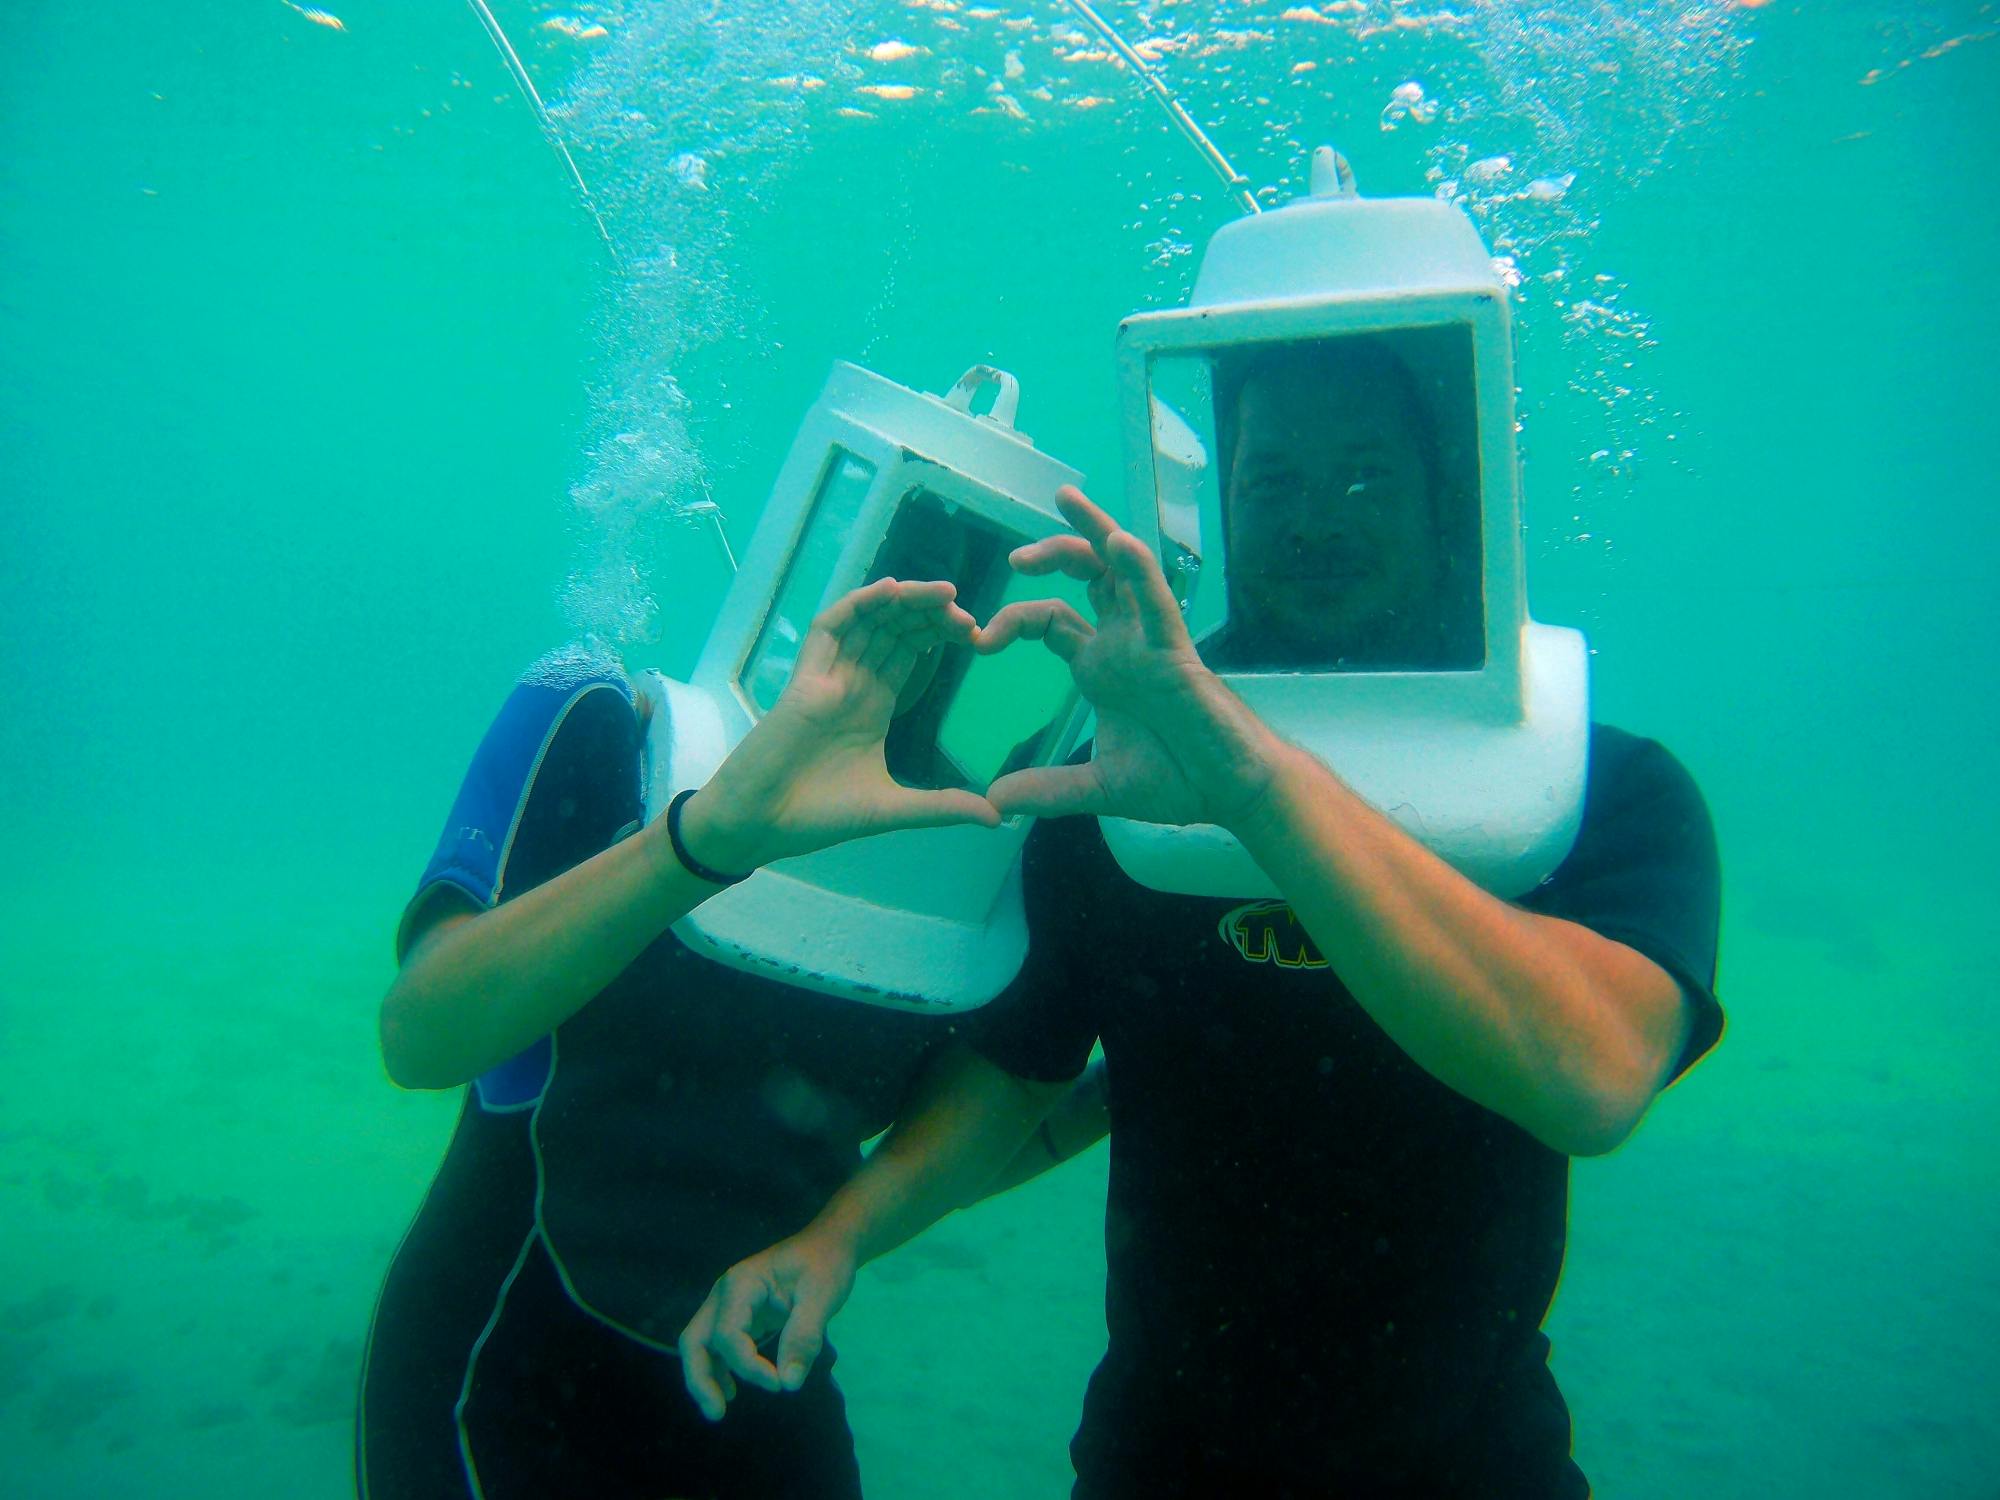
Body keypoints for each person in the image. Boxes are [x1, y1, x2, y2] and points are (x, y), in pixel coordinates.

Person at [680, 340, 1724, 1498]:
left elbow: (1589, 1076)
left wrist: (1247, 783)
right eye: (1272, 480)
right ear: (1221, 502)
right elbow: (1021, 1072)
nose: (1315, 517)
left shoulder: (1593, 795)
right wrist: (839, 1234)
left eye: (1366, 475)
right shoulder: (1120, 792)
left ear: (1452, 492)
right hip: (1155, 1460)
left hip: (1472, 1468)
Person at [355, 567, 1046, 1499]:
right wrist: (706, 839)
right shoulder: (605, 722)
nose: (916, 617)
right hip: (497, 1374)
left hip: (763, 1380)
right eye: (893, 554)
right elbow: (420, 1037)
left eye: (964, 568)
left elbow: (967, 1141)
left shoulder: (978, 856)